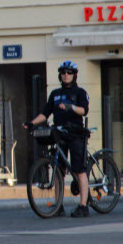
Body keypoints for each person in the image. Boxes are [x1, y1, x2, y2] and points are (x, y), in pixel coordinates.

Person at [23, 60, 90, 218]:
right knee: (59, 170)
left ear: (74, 75)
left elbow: (84, 110)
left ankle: (83, 206)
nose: (66, 75)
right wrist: (31, 123)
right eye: (63, 73)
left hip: (75, 133)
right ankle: (58, 205)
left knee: (79, 169)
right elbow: (45, 114)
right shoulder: (55, 94)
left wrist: (70, 107)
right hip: (59, 133)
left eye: (69, 73)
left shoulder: (79, 92)